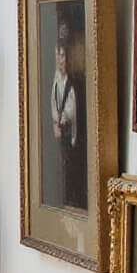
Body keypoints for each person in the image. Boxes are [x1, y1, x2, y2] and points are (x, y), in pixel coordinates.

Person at [49, 23, 85, 209]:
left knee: (72, 167)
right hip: (60, 131)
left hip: (71, 132)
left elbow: (71, 107)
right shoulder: (56, 81)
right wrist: (56, 119)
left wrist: (63, 119)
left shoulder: (73, 83)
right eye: (57, 56)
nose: (60, 60)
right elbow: (53, 103)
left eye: (62, 56)